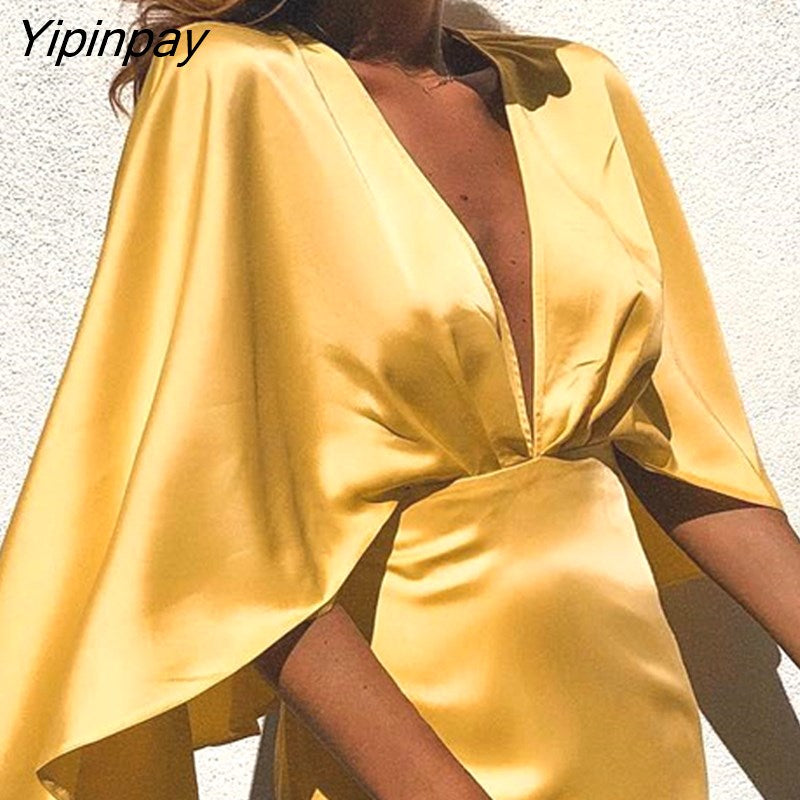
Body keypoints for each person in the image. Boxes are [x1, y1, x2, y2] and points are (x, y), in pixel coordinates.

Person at [1, 1, 798, 799]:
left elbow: (686, 453)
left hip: (633, 719)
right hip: (406, 743)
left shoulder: (583, 90)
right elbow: (217, 517)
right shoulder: (231, 80)